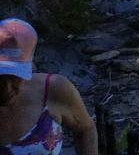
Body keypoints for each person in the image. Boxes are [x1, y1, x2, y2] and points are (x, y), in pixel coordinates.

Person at [0, 18, 97, 155]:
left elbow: (85, 129)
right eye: (1, 77)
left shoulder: (53, 89)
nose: (8, 88)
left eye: (15, 77)